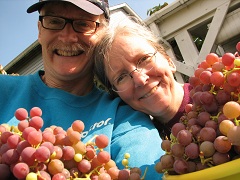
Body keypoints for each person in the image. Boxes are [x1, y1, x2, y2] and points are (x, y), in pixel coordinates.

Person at [0, 1, 163, 179]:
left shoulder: (125, 119)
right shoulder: (3, 89)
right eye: (54, 21)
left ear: (104, 32)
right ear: (40, 30)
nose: (67, 37)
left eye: (84, 23)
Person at [92, 17, 192, 140]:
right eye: (122, 77)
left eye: (144, 59)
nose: (140, 80)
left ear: (168, 60)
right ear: (116, 94)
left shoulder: (217, 94)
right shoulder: (144, 144)